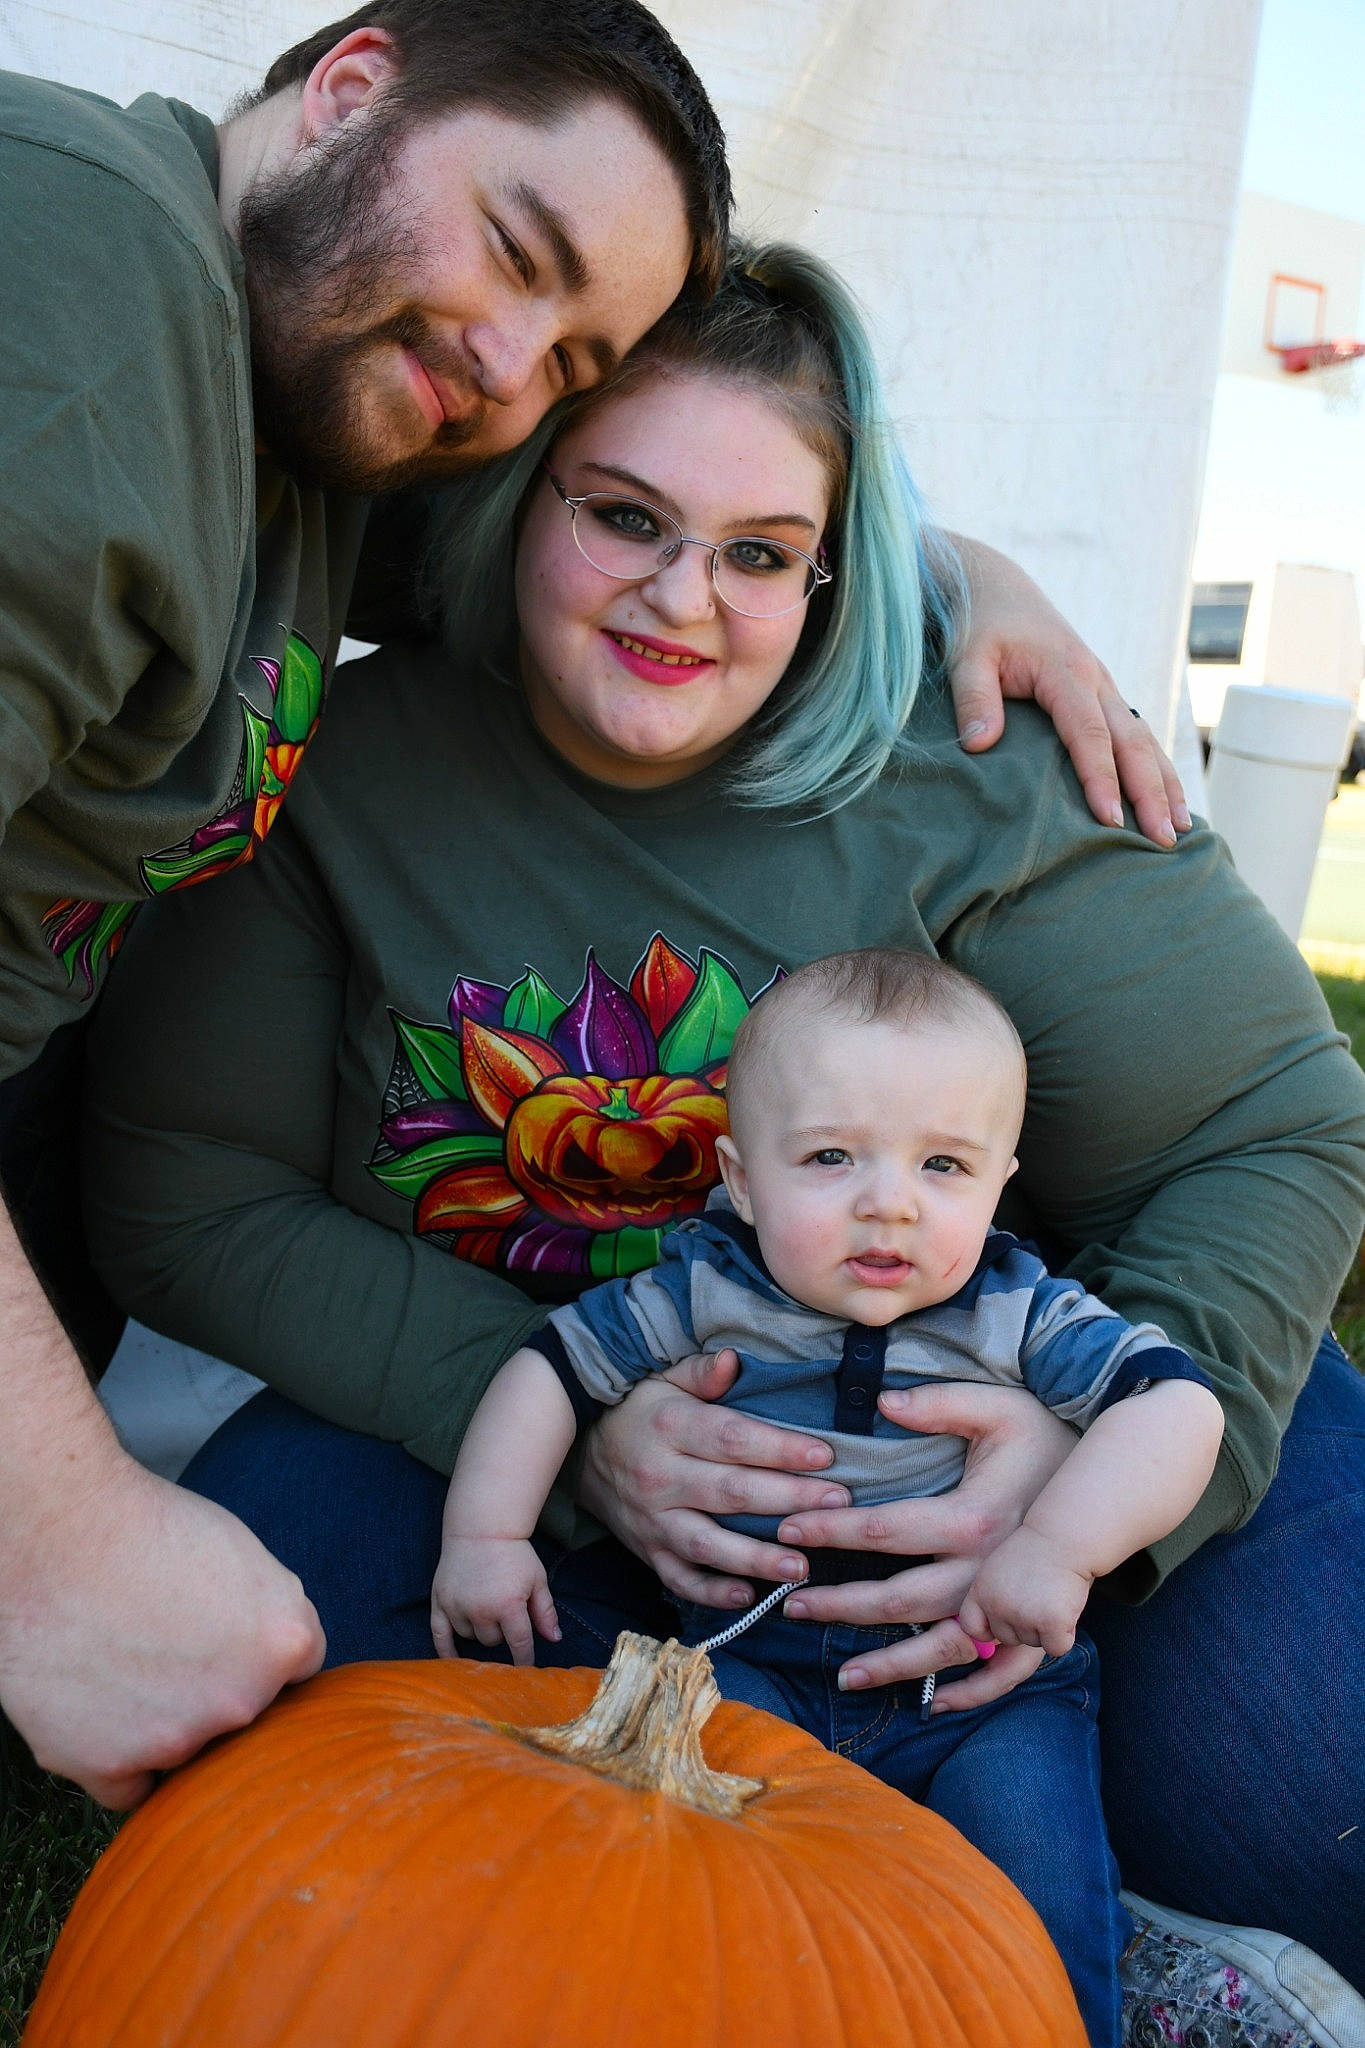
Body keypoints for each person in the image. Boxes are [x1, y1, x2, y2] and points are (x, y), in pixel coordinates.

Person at [84, 237, 1365, 2027]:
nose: (684, 598)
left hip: (981, 1405)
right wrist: (560, 1427)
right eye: (621, 517)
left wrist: (1083, 1482)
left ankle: (1105, 1925)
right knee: (268, 1722)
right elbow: (179, 1188)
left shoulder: (972, 746)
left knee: (1320, 1793)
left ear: (833, 569)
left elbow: (1277, 1122)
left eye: (761, 553)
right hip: (499, 1397)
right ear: (520, 488)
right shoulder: (334, 760)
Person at [1, 1, 1188, 1813]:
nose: (497, 358)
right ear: (350, 85)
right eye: (518, 248)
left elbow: (666, 527)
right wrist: (62, 1540)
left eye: (569, 358)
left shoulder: (321, 431)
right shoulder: (91, 274)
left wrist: (942, 567)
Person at [434, 946, 1226, 2046]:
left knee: (1036, 1900)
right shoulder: (710, 1287)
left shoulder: (1020, 1310)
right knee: (706, 1889)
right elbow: (552, 1368)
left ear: (1003, 1178)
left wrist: (1058, 1544)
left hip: (984, 1694)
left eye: (944, 1164)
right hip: (756, 1664)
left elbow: (1178, 1407)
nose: (888, 1204)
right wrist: (487, 1532)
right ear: (743, 1176)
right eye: (831, 1155)